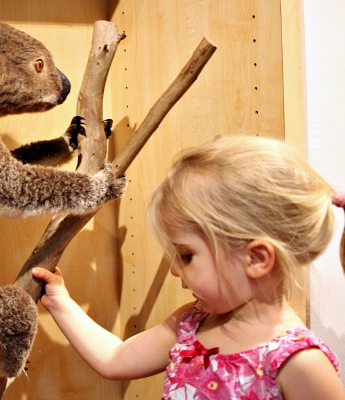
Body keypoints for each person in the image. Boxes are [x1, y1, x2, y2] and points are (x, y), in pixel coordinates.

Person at [32, 135, 345, 399]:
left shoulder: (301, 364)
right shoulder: (190, 324)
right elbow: (115, 359)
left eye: (186, 256)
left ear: (256, 259)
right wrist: (61, 303)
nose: (175, 271)